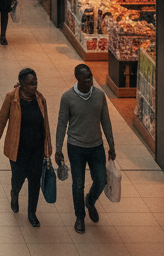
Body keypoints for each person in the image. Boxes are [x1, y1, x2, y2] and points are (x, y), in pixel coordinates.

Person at [55, 63, 117, 234]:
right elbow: (61, 124)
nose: (91, 80)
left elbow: (106, 121)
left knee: (100, 179)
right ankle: (80, 216)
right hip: (75, 147)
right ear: (78, 79)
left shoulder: (99, 95)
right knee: (78, 184)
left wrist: (111, 145)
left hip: (96, 146)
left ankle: (90, 201)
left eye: (91, 76)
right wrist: (58, 149)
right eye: (86, 77)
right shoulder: (67, 97)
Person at [0, 68, 54, 228]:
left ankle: (32, 212)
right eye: (31, 84)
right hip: (18, 149)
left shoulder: (40, 99)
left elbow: (45, 125)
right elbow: (1, 120)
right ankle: (14, 193)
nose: (34, 87)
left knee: (34, 180)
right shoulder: (12, 98)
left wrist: (48, 147)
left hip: (37, 150)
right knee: (18, 178)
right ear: (22, 84)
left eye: (36, 83)